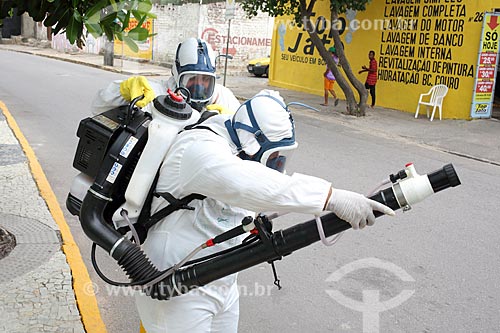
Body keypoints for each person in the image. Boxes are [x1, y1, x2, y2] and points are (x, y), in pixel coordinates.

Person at [134, 89, 395, 333]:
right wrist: (330, 197)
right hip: (175, 283)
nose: (278, 166)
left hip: (220, 278)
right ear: (252, 144)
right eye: (275, 158)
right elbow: (250, 182)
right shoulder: (200, 149)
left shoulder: (235, 139)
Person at [91, 37, 240, 115]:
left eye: (206, 79)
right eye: (192, 78)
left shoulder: (224, 99)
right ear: (177, 74)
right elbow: (98, 108)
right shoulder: (156, 93)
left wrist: (230, 123)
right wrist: (122, 91)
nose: (200, 85)